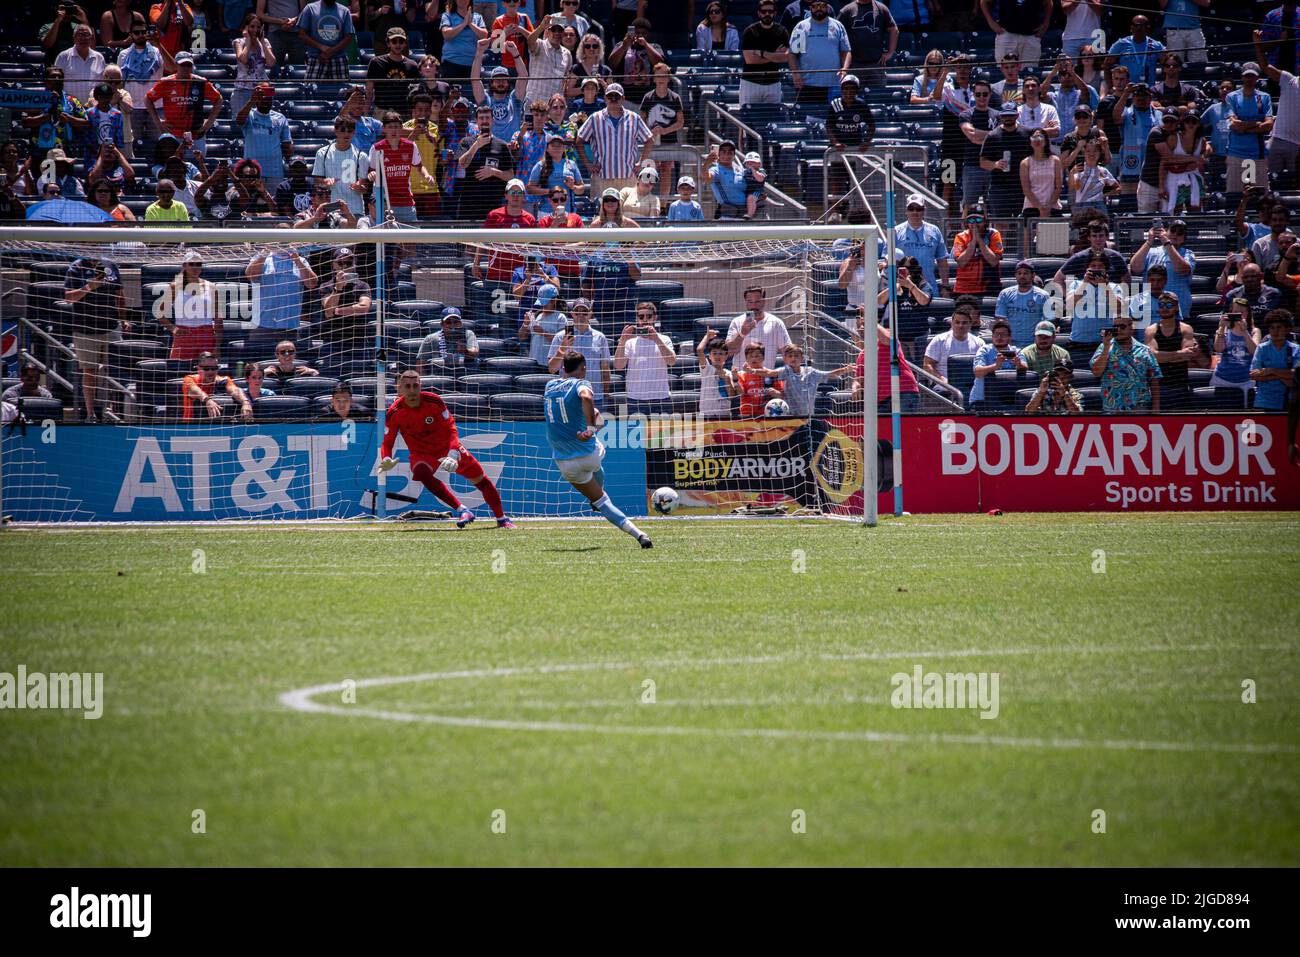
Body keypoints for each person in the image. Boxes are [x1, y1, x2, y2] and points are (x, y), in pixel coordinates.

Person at [378, 370, 514, 528]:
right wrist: (386, 457)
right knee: (421, 472)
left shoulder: (434, 401)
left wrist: (453, 452)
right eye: (407, 386)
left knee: (480, 480)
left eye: (415, 385)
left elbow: (451, 429)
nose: (412, 390)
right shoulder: (394, 412)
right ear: (399, 388)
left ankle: (502, 519)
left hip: (448, 448)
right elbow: (387, 442)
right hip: (422, 453)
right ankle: (463, 510)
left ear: (420, 385)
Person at [544, 353, 651, 547]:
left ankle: (639, 534)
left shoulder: (549, 386)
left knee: (602, 501)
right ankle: (638, 533)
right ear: (583, 368)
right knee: (597, 433)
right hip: (588, 453)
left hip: (564, 461)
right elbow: (586, 397)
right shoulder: (581, 383)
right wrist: (591, 429)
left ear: (563, 367)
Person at [63, 256, 128, 422]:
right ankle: (90, 414)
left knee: (113, 370)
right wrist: (89, 286)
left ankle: (114, 412)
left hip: (111, 327)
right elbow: (69, 298)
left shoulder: (110, 264)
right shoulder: (76, 268)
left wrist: (124, 319)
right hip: (86, 330)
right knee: (90, 371)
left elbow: (119, 293)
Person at [577, 82, 652, 196]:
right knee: (601, 213)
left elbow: (649, 140)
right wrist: (588, 164)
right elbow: (579, 140)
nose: (613, 99)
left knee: (627, 212)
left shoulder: (634, 118)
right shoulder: (595, 118)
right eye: (610, 96)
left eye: (616, 96)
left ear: (623, 99)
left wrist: (641, 163)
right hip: (602, 177)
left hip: (628, 177)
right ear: (605, 99)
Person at [146, 52, 223, 155]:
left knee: (198, 166)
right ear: (176, 65)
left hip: (196, 135)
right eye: (183, 65)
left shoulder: (200, 82)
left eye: (189, 65)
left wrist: (209, 123)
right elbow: (148, 98)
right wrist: (158, 121)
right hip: (173, 135)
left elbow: (218, 99)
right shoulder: (166, 82)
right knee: (174, 166)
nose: (186, 68)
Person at [245, 247, 319, 355]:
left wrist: (297, 260)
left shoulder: (300, 261)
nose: (283, 245)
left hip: (289, 328)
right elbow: (250, 275)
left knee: (286, 367)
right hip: (262, 326)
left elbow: (312, 283)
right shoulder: (263, 257)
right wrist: (263, 255)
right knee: (259, 366)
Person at [369, 110, 435, 222]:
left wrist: (427, 175)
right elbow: (371, 171)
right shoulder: (376, 148)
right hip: (383, 202)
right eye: (390, 127)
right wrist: (372, 174)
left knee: (412, 238)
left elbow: (419, 166)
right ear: (384, 129)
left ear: (401, 128)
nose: (393, 130)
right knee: (385, 238)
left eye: (396, 127)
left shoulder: (410, 146)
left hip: (405, 202)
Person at [614, 302, 676, 415]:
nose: (645, 319)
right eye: (641, 316)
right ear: (637, 319)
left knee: (662, 433)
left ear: (655, 318)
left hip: (660, 398)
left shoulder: (664, 339)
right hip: (635, 399)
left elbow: (671, 361)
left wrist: (656, 339)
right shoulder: (629, 342)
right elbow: (618, 366)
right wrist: (622, 340)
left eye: (649, 316)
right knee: (637, 433)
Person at [547, 298, 612, 404]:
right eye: (577, 313)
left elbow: (605, 368)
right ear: (572, 314)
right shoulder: (560, 337)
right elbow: (552, 369)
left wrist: (606, 394)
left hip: (595, 397)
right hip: (568, 397)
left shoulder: (600, 337)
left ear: (590, 314)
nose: (581, 316)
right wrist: (562, 349)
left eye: (584, 313)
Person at [318, 247, 373, 371]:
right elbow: (328, 311)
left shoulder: (362, 285)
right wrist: (338, 289)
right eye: (341, 263)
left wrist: (339, 311)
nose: (345, 266)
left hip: (358, 344)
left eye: (349, 263)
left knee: (359, 383)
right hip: (332, 343)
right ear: (333, 265)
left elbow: (364, 308)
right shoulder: (326, 286)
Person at [1142, 291, 1199, 410]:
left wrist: (1163, 357)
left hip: (1181, 386)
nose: (1164, 308)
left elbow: (1187, 356)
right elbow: (1152, 357)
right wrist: (1179, 354)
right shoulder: (1151, 330)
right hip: (1159, 387)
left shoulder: (1185, 329)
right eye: (1161, 305)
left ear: (1176, 308)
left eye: (1168, 305)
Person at [1091, 317, 1162, 412]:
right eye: (1115, 327)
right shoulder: (1104, 347)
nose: (1118, 330)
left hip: (1138, 407)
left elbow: (1154, 381)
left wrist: (1155, 409)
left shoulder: (1145, 351)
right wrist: (1106, 347)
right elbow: (1096, 372)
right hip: (1113, 407)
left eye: (1122, 327)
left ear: (1131, 328)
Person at [789, 0, 851, 109]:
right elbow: (792, 54)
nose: (819, 9)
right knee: (809, 119)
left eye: (822, 6)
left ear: (827, 7)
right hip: (808, 84)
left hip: (833, 84)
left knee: (834, 119)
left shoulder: (837, 26)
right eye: (815, 6)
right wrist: (795, 74)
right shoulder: (801, 27)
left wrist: (845, 69)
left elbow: (846, 51)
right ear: (810, 8)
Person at [1225, 63, 1273, 195]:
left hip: (1256, 155)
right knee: (1235, 196)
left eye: (1252, 76)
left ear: (1257, 78)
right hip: (1236, 154)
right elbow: (1233, 124)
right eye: (1247, 76)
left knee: (1255, 196)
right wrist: (1256, 123)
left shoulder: (1264, 97)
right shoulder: (1232, 97)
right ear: (1242, 77)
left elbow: (1268, 125)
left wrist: (1244, 128)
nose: (1249, 79)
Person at [236, 84, 293, 190]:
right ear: (257, 100)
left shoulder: (280, 118)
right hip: (252, 172)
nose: (266, 102)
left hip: (274, 172)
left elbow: (286, 144)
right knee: (252, 205)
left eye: (268, 99)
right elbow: (239, 121)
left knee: (273, 204)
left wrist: (290, 158)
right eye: (262, 99)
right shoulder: (250, 115)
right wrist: (251, 100)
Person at [979, 103, 1031, 218]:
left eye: (1011, 115)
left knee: (1024, 223)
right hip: (1000, 187)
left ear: (1017, 115)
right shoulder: (992, 136)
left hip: (1022, 186)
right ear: (1000, 117)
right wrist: (995, 164)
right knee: (1001, 224)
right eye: (1005, 115)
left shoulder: (1027, 134)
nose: (1008, 118)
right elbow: (983, 162)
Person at [472, 41, 530, 144]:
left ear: (508, 83)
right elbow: (475, 79)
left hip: (512, 147)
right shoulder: (485, 99)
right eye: (497, 80)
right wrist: (479, 52)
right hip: (491, 146)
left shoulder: (514, 99)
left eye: (504, 79)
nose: (500, 82)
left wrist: (515, 53)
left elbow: (524, 77)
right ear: (491, 83)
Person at [313, 114, 371, 216]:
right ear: (335, 131)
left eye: (350, 130)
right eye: (343, 130)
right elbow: (317, 181)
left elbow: (364, 187)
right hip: (331, 210)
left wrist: (360, 187)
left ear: (354, 132)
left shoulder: (361, 156)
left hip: (355, 210)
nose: (346, 133)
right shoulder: (322, 153)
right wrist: (325, 182)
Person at [640, 63, 685, 192]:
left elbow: (680, 122)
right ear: (653, 78)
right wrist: (649, 133)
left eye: (664, 76)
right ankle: (647, 201)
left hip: (670, 141)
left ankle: (664, 204)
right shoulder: (648, 97)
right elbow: (641, 120)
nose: (661, 79)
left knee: (666, 171)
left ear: (668, 78)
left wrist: (665, 130)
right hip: (651, 142)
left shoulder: (675, 98)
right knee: (649, 170)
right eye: (658, 76)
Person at [893, 194, 948, 295]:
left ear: (924, 210)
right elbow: (888, 261)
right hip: (902, 290)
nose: (915, 212)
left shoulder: (934, 231)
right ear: (906, 211)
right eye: (911, 208)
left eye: (918, 209)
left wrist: (945, 287)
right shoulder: (895, 232)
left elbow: (942, 261)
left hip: (929, 288)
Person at [739, 1, 791, 108]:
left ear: (775, 13)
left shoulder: (782, 31)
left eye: (770, 11)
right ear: (759, 13)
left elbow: (785, 58)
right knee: (747, 119)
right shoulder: (750, 31)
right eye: (764, 11)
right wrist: (775, 56)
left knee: (772, 118)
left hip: (773, 83)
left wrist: (762, 53)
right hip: (751, 82)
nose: (767, 14)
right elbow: (750, 60)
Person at [725, 286, 791, 369]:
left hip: (766, 378)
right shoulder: (737, 322)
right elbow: (728, 352)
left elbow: (787, 352)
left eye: (757, 302)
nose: (754, 306)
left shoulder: (776, 323)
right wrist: (742, 334)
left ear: (764, 301)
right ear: (745, 302)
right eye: (750, 302)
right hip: (741, 378)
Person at [838, 0, 896, 90]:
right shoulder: (846, 10)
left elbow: (893, 30)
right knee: (854, 97)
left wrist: (890, 52)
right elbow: (838, 34)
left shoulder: (881, 8)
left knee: (877, 96)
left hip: (876, 64)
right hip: (854, 65)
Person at [970, 319, 1028, 410]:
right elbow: (977, 372)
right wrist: (996, 366)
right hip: (982, 401)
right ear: (992, 336)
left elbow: (1025, 367)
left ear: (1009, 337)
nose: (999, 337)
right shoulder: (984, 350)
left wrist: (1019, 364)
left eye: (1003, 334)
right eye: (996, 334)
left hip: (1010, 401)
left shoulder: (1016, 351)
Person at [1249, 309, 1300, 410]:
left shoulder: (1296, 349)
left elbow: (1296, 374)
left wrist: (1271, 370)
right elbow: (1254, 375)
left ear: (1287, 329)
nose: (1275, 331)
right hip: (1263, 402)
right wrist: (1282, 376)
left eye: (1279, 327)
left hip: (1288, 402)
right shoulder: (1262, 348)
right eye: (1272, 328)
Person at [1053, 221, 1130, 287]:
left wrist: (1119, 294)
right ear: (1089, 237)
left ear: (1107, 237)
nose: (1098, 239)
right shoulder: (1078, 258)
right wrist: (1068, 298)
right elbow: (1058, 279)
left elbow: (1126, 280)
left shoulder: (1116, 257)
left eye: (1101, 235)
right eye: (1094, 236)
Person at [182, 352, 253, 422]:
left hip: (218, 424)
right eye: (206, 369)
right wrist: (208, 400)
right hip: (191, 425)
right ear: (198, 368)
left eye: (214, 368)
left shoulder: (223, 380)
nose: (210, 372)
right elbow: (195, 390)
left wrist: (245, 402)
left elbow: (235, 390)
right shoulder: (189, 379)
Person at [1210, 298, 1260, 396]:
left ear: (1247, 313)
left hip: (1246, 380)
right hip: (1222, 379)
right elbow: (1218, 348)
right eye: (1236, 312)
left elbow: (1254, 352)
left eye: (1241, 312)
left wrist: (1245, 332)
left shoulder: (1254, 331)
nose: (1238, 315)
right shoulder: (1224, 329)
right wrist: (1221, 327)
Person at [366, 27, 421, 117]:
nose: (398, 44)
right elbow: (369, 92)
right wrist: (366, 114)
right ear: (388, 43)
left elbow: (415, 94)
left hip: (403, 112)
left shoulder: (412, 65)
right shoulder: (376, 62)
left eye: (401, 41)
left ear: (405, 44)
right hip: (381, 112)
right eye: (394, 41)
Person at [607, 17, 663, 104]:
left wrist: (646, 45)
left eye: (644, 33)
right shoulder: (621, 45)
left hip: (648, 95)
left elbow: (659, 64)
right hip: (626, 95)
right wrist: (624, 46)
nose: (640, 35)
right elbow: (611, 64)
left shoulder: (654, 46)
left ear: (648, 34)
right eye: (637, 32)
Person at [297, 0, 355, 85]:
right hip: (316, 57)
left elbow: (349, 37)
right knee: (310, 92)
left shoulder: (344, 11)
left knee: (342, 93)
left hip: (338, 59)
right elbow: (301, 34)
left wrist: (330, 51)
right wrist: (321, 47)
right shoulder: (310, 8)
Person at [979, 0, 1050, 66]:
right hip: (1006, 34)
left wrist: (1046, 23)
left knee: (1030, 73)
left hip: (1031, 36)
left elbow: (1048, 3)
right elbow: (984, 2)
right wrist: (991, 22)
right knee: (1005, 70)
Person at [233, 11, 276, 117]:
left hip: (262, 89)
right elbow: (243, 59)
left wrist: (262, 41)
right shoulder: (238, 42)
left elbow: (271, 63)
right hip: (242, 90)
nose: (255, 30)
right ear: (246, 27)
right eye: (252, 26)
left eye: (258, 27)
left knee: (263, 120)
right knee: (240, 122)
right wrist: (248, 41)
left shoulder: (265, 42)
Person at [924, 310, 985, 383]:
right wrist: (941, 379)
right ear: (952, 323)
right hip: (944, 384)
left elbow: (984, 366)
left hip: (972, 383)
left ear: (970, 324)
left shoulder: (979, 343)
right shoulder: (939, 340)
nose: (960, 326)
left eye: (964, 323)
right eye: (957, 322)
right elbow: (927, 364)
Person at [54, 23, 107, 107]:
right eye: (80, 35)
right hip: (69, 107)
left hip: (93, 107)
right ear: (74, 38)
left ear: (91, 38)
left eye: (86, 35)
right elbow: (55, 83)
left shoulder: (99, 57)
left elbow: (103, 84)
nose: (83, 38)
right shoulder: (63, 57)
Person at [1105, 15, 1165, 88]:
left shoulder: (1157, 46)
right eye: (1135, 25)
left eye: (1141, 26)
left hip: (1149, 90)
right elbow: (1106, 65)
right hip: (1126, 90)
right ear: (1131, 28)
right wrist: (1110, 87)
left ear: (1148, 29)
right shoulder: (1121, 44)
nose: (1138, 28)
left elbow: (1168, 64)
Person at [526, 16, 572, 104]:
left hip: (554, 104)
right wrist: (541, 27)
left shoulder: (567, 54)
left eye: (560, 30)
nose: (557, 33)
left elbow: (565, 81)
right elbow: (530, 41)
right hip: (534, 101)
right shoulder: (540, 44)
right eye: (554, 30)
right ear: (548, 31)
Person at [418, 307, 479, 372]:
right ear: (442, 324)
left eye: (456, 322)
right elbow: (420, 363)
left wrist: (465, 351)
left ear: (460, 323)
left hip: (465, 372)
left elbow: (475, 352)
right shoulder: (430, 338)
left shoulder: (468, 334)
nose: (452, 325)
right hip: (440, 375)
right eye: (448, 322)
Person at [735, 339, 785, 417]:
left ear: (763, 357)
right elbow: (740, 393)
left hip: (768, 416)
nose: (754, 359)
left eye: (757, 356)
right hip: (747, 416)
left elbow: (782, 396)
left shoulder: (770, 374)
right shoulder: (741, 375)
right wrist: (735, 379)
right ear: (746, 359)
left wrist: (777, 394)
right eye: (751, 356)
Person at [695, 329, 739, 416]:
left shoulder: (729, 373)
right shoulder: (706, 369)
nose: (717, 356)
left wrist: (727, 380)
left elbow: (731, 396)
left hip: (724, 414)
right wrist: (707, 337)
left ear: (726, 356)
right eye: (714, 353)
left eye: (721, 353)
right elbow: (699, 350)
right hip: (707, 414)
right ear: (710, 356)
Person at [521, 283, 566, 367]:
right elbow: (522, 337)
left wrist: (543, 332)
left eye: (545, 302)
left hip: (550, 365)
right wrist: (525, 324)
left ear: (554, 301)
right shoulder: (536, 316)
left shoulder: (561, 318)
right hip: (533, 364)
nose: (542, 305)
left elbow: (563, 342)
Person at [1068, 136, 1118, 212]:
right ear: (1084, 152)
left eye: (1095, 151)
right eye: (1088, 151)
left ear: (1099, 153)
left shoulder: (1103, 171)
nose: (1092, 154)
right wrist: (1072, 174)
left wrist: (1104, 195)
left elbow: (1118, 188)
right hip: (1081, 207)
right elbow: (1073, 188)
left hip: (1098, 207)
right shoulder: (1078, 169)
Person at [1019, 128, 1061, 218]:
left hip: (1053, 206)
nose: (1037, 140)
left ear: (1046, 141)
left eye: (1040, 137)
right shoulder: (1025, 163)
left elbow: (1058, 187)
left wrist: (1048, 207)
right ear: (1030, 142)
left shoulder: (1055, 160)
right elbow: (1026, 189)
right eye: (1034, 137)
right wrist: (1040, 208)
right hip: (1031, 207)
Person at [567, 32, 611, 100]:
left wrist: (603, 83)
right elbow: (568, 92)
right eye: (587, 46)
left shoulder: (606, 70)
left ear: (599, 49)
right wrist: (586, 88)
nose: (591, 49)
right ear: (583, 49)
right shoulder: (576, 69)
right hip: (581, 107)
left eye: (595, 46)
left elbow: (612, 94)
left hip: (601, 107)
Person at [1161, 0, 1208, 64]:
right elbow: (1162, 4)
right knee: (1174, 62)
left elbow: (1206, 3)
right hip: (1174, 29)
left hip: (1194, 29)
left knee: (1199, 62)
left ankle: (1197, 73)